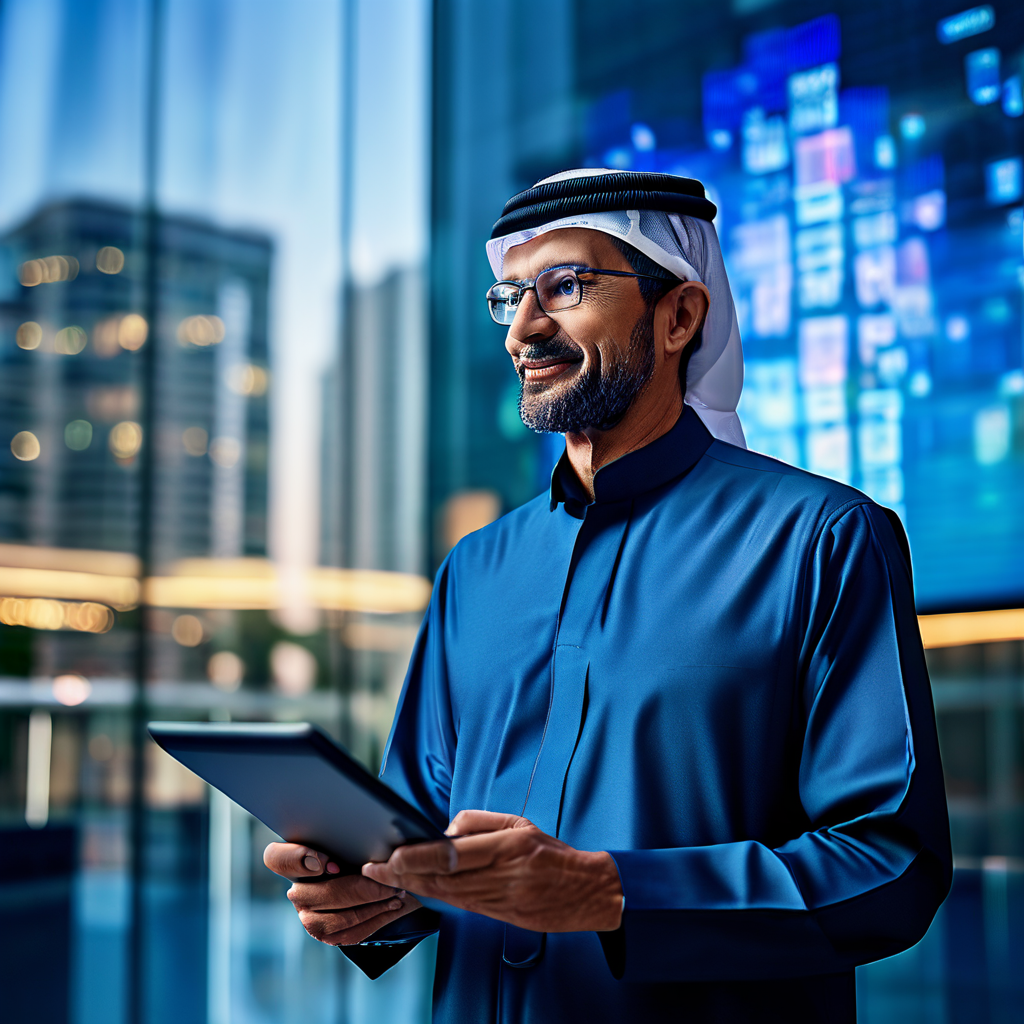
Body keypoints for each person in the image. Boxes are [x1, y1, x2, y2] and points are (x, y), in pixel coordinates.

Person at [264, 170, 952, 1022]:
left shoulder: (823, 540)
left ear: (679, 316)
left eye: (566, 286)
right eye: (512, 295)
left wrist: (612, 892)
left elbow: (889, 865)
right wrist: (374, 900)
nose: (523, 328)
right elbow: (425, 841)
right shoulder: (474, 570)